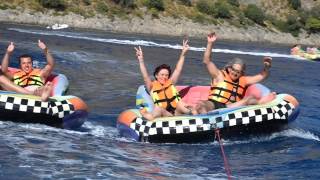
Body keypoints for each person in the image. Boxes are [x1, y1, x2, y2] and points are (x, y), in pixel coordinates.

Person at [193, 33, 275, 115]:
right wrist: (210, 43)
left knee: (249, 99)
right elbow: (207, 61)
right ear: (229, 68)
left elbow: (262, 76)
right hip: (214, 104)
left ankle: (262, 102)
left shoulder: (243, 80)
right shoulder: (219, 75)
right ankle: (204, 121)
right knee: (201, 104)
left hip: (230, 108)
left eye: (238, 72)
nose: (235, 73)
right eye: (233, 70)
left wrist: (267, 66)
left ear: (241, 73)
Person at [134, 39, 192, 120]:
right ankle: (148, 117)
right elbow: (145, 77)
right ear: (156, 75)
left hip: (177, 113)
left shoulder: (170, 82)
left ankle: (194, 115)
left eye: (166, 75)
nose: (164, 77)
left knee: (181, 104)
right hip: (166, 115)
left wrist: (183, 53)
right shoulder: (151, 87)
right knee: (158, 108)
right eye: (162, 75)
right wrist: (141, 60)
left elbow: (178, 69)